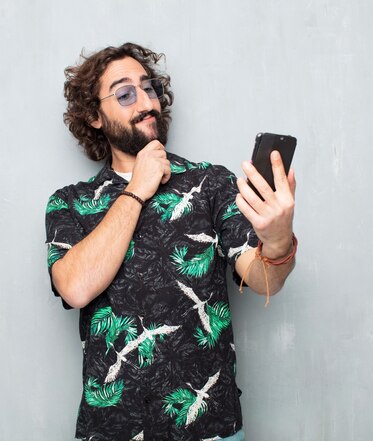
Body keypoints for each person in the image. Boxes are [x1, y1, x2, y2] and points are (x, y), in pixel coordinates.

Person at [45, 42, 297, 441]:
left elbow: (264, 280)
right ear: (94, 115)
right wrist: (138, 189)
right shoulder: (70, 203)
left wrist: (279, 242)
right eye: (125, 93)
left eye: (149, 88)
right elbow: (75, 287)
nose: (146, 102)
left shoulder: (210, 183)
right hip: (112, 430)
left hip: (210, 428)